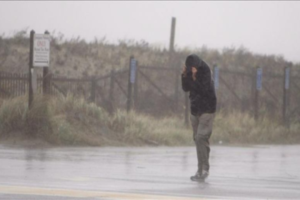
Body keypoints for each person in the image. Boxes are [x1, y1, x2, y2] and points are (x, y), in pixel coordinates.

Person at [181, 54, 217, 181]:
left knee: (201, 137)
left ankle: (205, 169)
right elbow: (186, 88)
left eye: (192, 68)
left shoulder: (205, 70)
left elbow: (203, 89)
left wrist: (194, 77)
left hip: (207, 108)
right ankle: (200, 170)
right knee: (198, 139)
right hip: (195, 109)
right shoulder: (190, 70)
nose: (192, 70)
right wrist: (185, 75)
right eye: (189, 68)